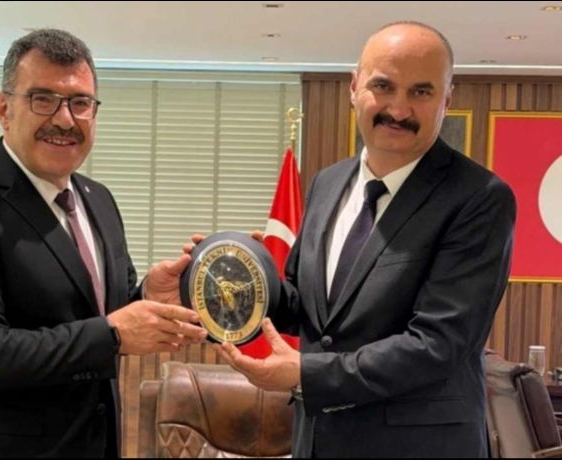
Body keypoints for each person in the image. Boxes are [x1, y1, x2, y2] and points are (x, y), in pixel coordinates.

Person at [211, 21, 517, 458]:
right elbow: (305, 309)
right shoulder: (327, 183)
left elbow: (437, 344)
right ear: (355, 88)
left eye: (421, 92)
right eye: (383, 86)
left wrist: (306, 374)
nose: (399, 108)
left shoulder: (479, 198)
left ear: (446, 101)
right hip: (318, 442)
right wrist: (230, 286)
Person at [0, 29, 206, 458]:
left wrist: (147, 294)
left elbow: (98, 313)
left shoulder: (99, 199)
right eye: (43, 99)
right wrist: (112, 335)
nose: (65, 120)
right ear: (4, 109)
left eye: (80, 102)